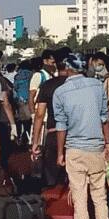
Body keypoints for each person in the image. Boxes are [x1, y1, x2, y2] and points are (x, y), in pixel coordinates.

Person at [53, 53, 109, 219]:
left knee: (79, 196)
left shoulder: (60, 93)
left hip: (74, 149)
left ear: (66, 68)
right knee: (100, 196)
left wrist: (60, 152)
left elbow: (61, 126)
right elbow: (104, 118)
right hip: (96, 148)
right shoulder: (97, 86)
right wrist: (108, 144)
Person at [31, 49, 70, 187]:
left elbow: (40, 114)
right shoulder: (79, 85)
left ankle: (54, 204)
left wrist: (35, 141)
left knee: (52, 178)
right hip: (75, 136)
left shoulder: (48, 85)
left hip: (53, 134)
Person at [29, 50, 56, 114]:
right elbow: (31, 97)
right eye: (52, 61)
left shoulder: (53, 75)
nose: (54, 63)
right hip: (41, 114)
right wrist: (33, 114)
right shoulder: (38, 75)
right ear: (45, 61)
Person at [14, 60, 34, 143]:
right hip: (29, 99)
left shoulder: (17, 75)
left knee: (19, 120)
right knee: (28, 121)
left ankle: (18, 137)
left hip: (19, 99)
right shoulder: (31, 74)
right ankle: (26, 137)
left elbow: (15, 87)